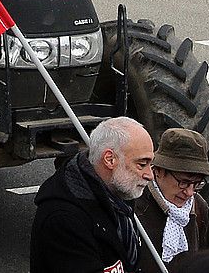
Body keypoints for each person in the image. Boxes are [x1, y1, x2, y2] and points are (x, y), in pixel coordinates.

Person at [30, 116, 155, 273]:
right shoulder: (64, 219)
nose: (150, 175)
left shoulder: (119, 189)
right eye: (142, 164)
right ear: (110, 159)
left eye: (151, 164)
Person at [136, 128, 209, 272]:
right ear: (158, 171)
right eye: (183, 182)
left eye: (197, 184)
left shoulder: (199, 208)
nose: (190, 192)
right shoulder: (135, 208)